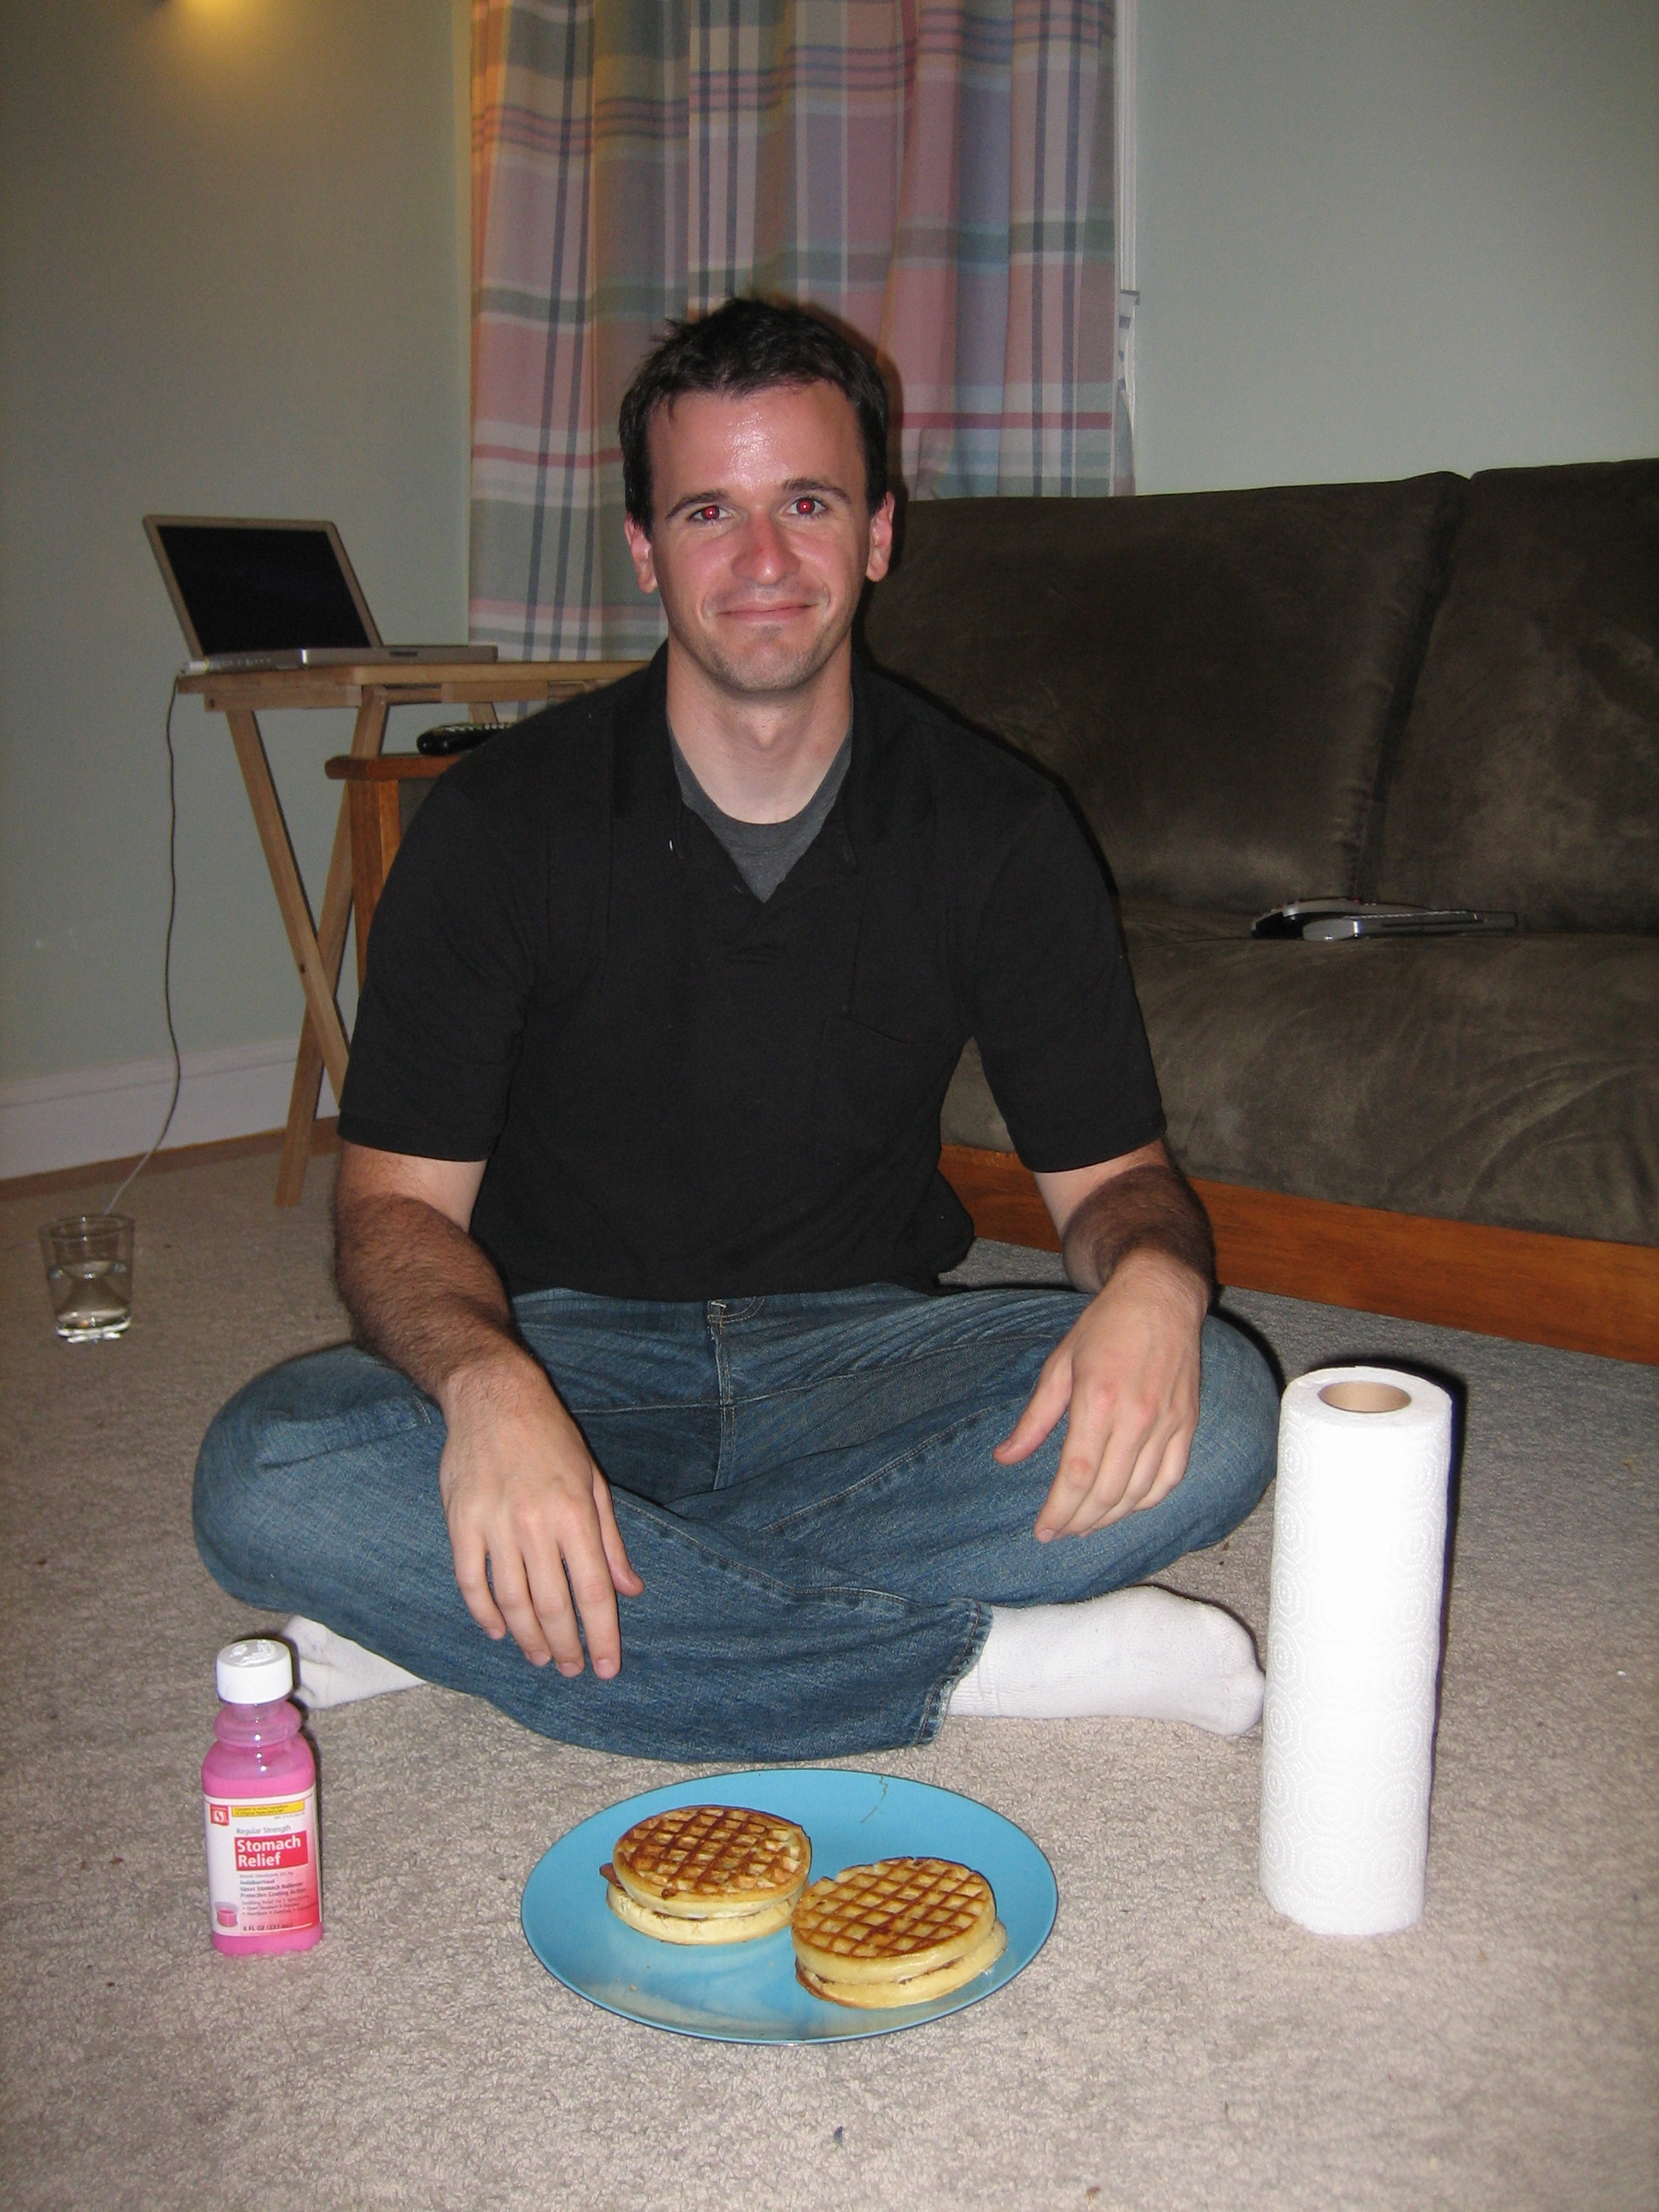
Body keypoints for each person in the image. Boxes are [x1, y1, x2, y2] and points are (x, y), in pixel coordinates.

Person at [195, 299, 1278, 1763]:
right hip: (562, 1348)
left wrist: (1154, 1275)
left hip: (862, 1357)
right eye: (710, 511)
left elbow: (1118, 1185)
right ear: (645, 550)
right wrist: (488, 1388)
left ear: (878, 533)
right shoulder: (498, 825)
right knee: (263, 1473)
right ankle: (976, 1663)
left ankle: (496, 1602)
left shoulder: (1001, 829)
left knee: (1222, 1405)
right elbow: (393, 1214)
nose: (764, 560)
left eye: (807, 503)